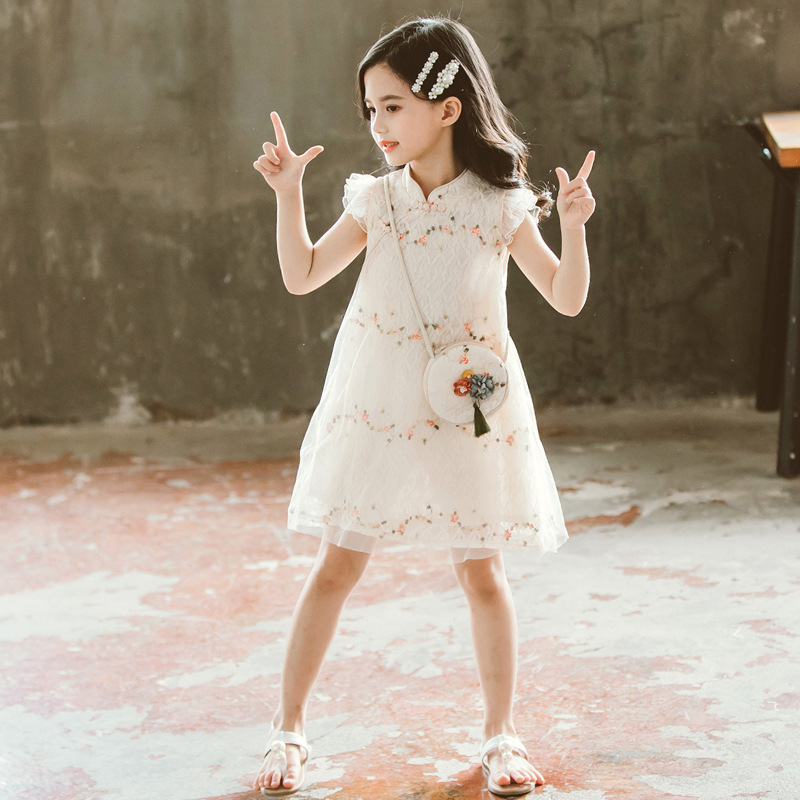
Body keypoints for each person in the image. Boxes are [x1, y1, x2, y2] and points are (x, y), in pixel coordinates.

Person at [251, 14, 595, 798]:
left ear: (448, 107)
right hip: (379, 399)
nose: (378, 125)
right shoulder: (377, 200)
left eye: (393, 106)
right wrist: (287, 193)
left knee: (483, 573)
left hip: (468, 407)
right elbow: (303, 274)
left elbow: (566, 297)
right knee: (336, 566)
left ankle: (501, 736)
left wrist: (574, 231)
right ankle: (288, 726)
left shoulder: (501, 205)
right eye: (370, 109)